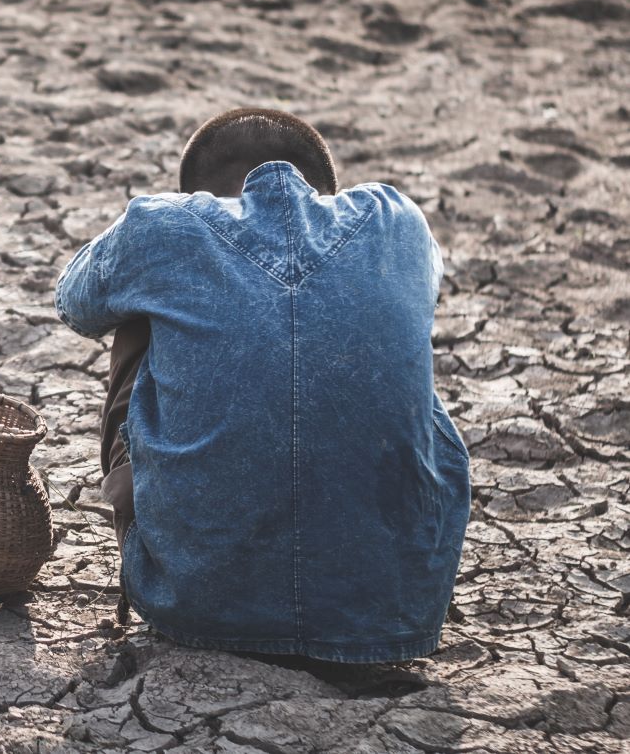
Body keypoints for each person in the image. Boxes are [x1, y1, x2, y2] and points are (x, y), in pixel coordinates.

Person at [55, 107, 470, 663]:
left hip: (192, 604)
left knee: (136, 316)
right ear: (323, 192)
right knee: (371, 336)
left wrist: (168, 233)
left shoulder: (164, 225)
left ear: (196, 196)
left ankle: (173, 555)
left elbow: (76, 304)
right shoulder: (396, 219)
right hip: (393, 615)